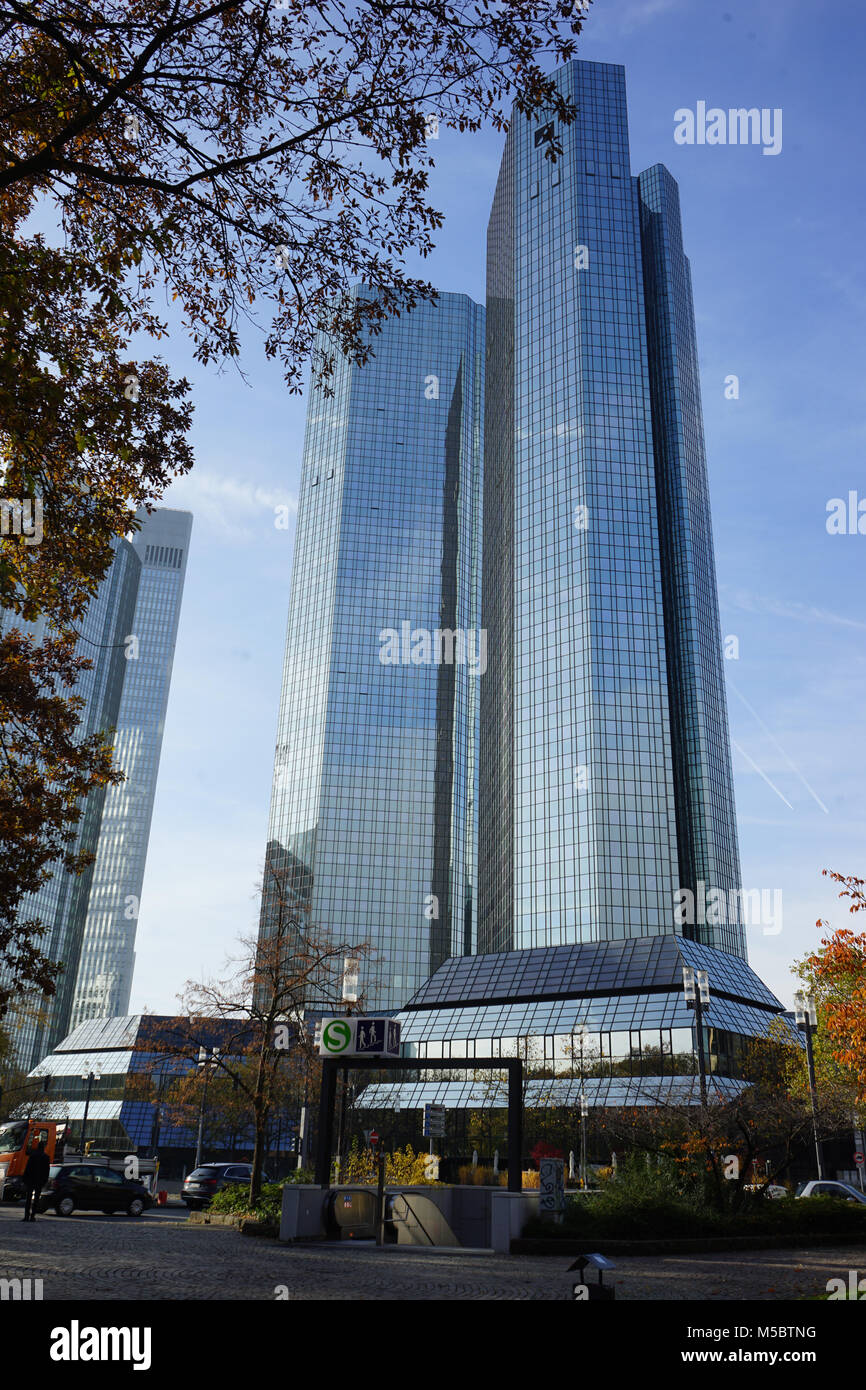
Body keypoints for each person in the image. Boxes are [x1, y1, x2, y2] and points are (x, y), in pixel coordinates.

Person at [22, 1140, 50, 1222]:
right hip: (39, 1181)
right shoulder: (46, 1157)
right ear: (43, 1148)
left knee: (28, 1199)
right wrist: (44, 1181)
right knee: (36, 1200)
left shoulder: (32, 1156)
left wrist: (25, 1179)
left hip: (31, 1180)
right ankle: (32, 1216)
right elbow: (46, 1171)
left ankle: (26, 1216)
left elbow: (27, 1168)